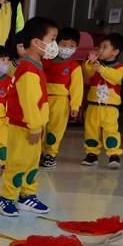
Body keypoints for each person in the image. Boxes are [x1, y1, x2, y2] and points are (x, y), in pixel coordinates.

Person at [0, 19, 58, 217]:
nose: (54, 44)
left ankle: (26, 195)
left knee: (31, 163)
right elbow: (29, 101)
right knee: (17, 162)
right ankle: (6, 198)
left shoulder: (36, 65)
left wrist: (39, 125)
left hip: (34, 126)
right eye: (52, 39)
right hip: (23, 126)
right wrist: (34, 126)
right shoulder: (29, 69)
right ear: (36, 42)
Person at [81, 33, 123, 169]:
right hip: (93, 106)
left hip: (110, 107)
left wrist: (100, 69)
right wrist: (90, 63)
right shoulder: (96, 64)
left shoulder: (121, 68)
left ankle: (113, 154)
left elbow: (115, 77)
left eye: (104, 47)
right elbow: (88, 72)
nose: (100, 50)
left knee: (110, 131)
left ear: (115, 52)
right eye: (99, 47)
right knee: (91, 131)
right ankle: (91, 154)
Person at [40, 26, 83, 168]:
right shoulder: (46, 62)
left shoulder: (74, 66)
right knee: (40, 127)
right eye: (64, 45)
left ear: (76, 47)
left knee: (56, 129)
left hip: (61, 101)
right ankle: (38, 152)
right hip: (43, 99)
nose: (67, 48)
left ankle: (50, 154)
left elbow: (77, 87)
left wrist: (75, 105)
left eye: (72, 46)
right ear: (56, 44)